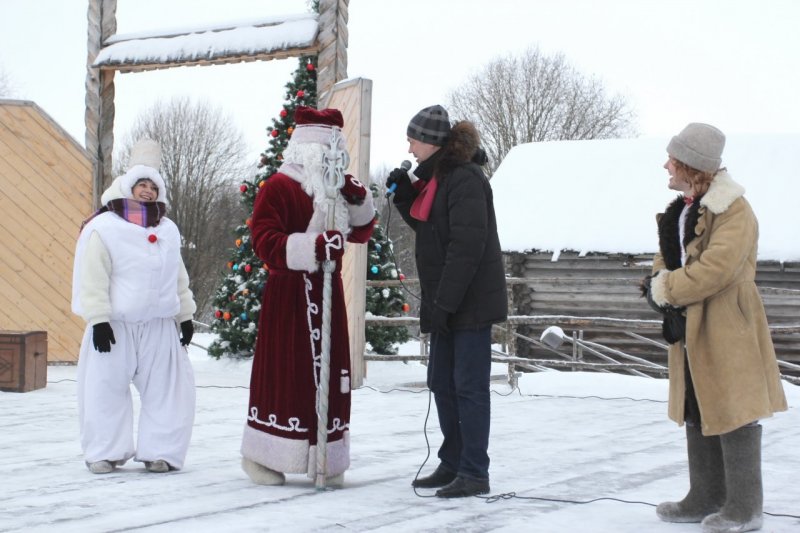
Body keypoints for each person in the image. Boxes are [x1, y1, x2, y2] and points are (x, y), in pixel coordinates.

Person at [643, 123, 787, 533]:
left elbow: (716, 269)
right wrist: (659, 284)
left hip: (728, 326)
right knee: (696, 404)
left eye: (672, 160)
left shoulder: (734, 210)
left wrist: (666, 289)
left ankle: (744, 508)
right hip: (689, 324)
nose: (666, 166)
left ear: (692, 166)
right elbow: (664, 259)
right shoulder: (682, 210)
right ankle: (705, 496)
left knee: (734, 409)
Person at [240, 106, 376, 487]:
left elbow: (362, 232)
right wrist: (313, 247)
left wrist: (358, 198)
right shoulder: (278, 187)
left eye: (338, 150)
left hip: (327, 292)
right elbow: (264, 240)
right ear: (309, 149)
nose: (334, 156)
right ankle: (265, 456)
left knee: (332, 377)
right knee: (287, 378)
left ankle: (326, 458)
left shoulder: (336, 190)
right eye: (327, 150)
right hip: (289, 301)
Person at [385, 105, 507, 498]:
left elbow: (466, 247)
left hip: (468, 304)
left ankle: (474, 471)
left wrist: (445, 304)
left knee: (469, 387)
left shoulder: (465, 178)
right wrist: (404, 197)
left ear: (431, 141)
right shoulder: (440, 178)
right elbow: (432, 230)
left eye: (413, 139)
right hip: (448, 301)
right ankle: (452, 462)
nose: (409, 147)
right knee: (441, 383)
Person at [72, 139, 197, 475]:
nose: (148, 191)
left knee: (167, 390)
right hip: (116, 324)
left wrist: (185, 315)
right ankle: (104, 451)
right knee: (104, 389)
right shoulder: (104, 227)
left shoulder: (168, 229)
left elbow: (178, 275)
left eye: (153, 187)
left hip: (159, 325)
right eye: (142, 184)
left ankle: (162, 452)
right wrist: (98, 319)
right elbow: (93, 275)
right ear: (128, 186)